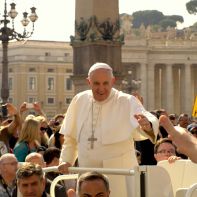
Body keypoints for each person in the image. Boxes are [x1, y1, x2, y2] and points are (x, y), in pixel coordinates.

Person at [58, 62, 159, 196]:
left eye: (105, 83)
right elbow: (71, 138)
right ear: (89, 82)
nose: (101, 88)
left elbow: (145, 117)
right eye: (96, 83)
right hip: (88, 172)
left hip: (120, 174)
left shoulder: (126, 101)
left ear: (113, 81)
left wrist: (147, 125)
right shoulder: (79, 100)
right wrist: (66, 160)